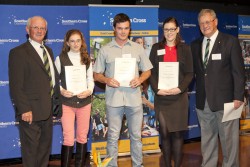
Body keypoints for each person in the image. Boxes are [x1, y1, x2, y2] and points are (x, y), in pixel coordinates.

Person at [93, 13, 153, 167]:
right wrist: (107, 80)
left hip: (134, 99)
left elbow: (148, 71)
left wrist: (139, 79)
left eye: (126, 28)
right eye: (120, 28)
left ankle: (137, 165)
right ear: (114, 29)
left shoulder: (137, 48)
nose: (123, 31)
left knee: (136, 137)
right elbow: (96, 74)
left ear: (129, 29)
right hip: (114, 100)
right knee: (112, 137)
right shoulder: (105, 50)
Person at [191, 9, 245, 167]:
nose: (205, 26)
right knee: (207, 143)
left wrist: (238, 97)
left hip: (228, 101)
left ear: (215, 22)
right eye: (201, 23)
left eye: (208, 22)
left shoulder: (230, 41)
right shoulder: (195, 45)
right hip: (204, 102)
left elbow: (239, 73)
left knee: (229, 143)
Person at [8, 16, 61, 167]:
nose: (39, 31)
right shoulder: (18, 52)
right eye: (35, 27)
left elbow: (51, 80)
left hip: (48, 110)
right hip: (30, 112)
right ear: (27, 29)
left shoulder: (48, 51)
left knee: (44, 151)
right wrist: (24, 109)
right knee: (31, 153)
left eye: (42, 28)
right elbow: (16, 85)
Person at [149, 17, 193, 167]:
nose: (169, 32)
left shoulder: (185, 49)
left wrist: (180, 88)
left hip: (179, 98)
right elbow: (151, 72)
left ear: (177, 29)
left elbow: (189, 73)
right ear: (163, 31)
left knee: (178, 135)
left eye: (172, 29)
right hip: (162, 98)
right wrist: (157, 89)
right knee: (165, 134)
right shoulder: (156, 48)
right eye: (166, 29)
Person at [54, 29, 94, 167]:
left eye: (78, 40)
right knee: (68, 138)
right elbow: (54, 80)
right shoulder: (60, 59)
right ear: (67, 43)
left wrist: (89, 91)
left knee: (82, 137)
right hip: (67, 102)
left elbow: (90, 79)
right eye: (72, 41)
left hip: (84, 102)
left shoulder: (87, 58)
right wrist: (61, 91)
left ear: (82, 41)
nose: (76, 44)